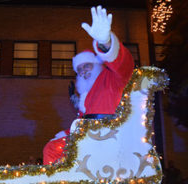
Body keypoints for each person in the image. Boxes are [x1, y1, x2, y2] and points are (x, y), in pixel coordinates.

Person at [43, 5, 134, 165]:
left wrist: (105, 43)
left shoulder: (112, 77)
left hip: (106, 137)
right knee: (52, 146)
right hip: (90, 136)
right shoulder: (87, 94)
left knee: (53, 150)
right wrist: (64, 132)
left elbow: (124, 64)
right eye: (79, 69)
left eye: (87, 66)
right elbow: (83, 119)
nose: (83, 71)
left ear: (97, 64)